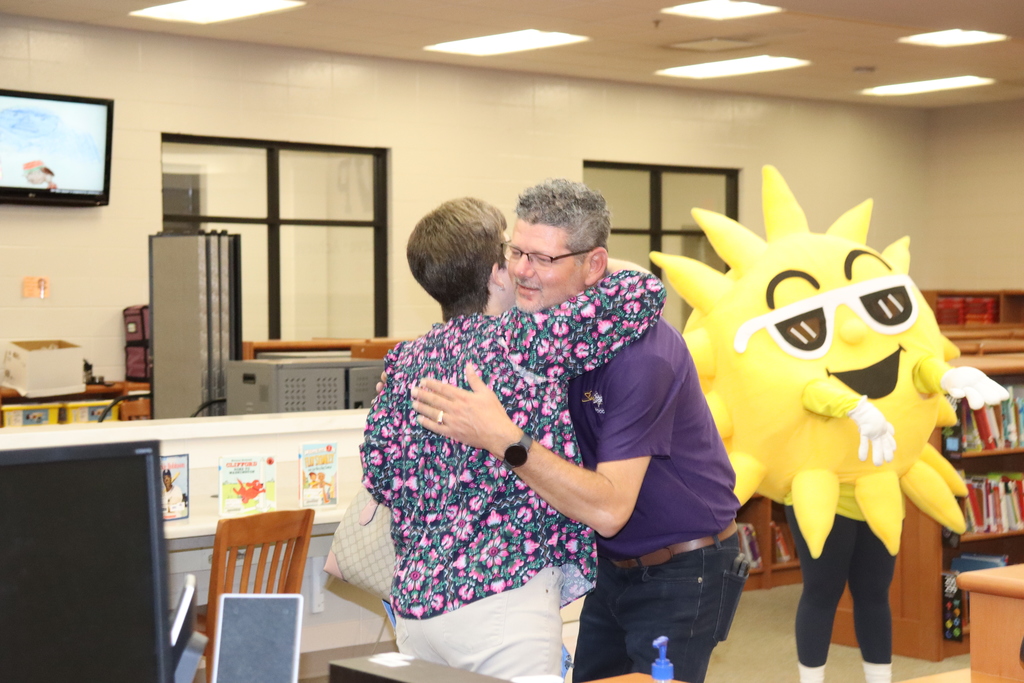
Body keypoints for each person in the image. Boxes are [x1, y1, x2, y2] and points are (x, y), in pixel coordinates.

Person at [410, 179, 743, 683]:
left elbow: (609, 509)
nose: (522, 271)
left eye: (543, 259)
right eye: (516, 251)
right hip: (612, 565)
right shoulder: (551, 333)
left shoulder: (642, 356)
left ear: (593, 265)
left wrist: (502, 438)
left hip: (683, 566)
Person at [360, 196, 665, 680]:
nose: (524, 266)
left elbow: (378, 471)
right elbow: (642, 291)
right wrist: (587, 261)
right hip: (500, 604)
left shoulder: (404, 361)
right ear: (498, 273)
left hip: (417, 609)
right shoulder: (524, 340)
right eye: (513, 254)